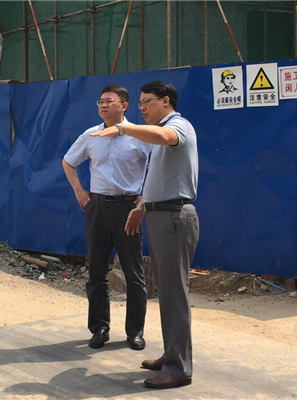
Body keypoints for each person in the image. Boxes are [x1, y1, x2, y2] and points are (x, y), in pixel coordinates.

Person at [91, 81, 199, 390]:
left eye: (146, 102)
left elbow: (166, 137)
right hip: (160, 214)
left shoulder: (177, 126)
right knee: (167, 292)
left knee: (175, 294)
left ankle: (178, 369)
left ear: (165, 101)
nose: (142, 108)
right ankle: (171, 355)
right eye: (139, 103)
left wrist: (123, 128)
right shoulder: (158, 133)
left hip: (174, 217)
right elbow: (158, 178)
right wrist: (141, 208)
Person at [62, 84, 152, 351]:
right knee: (96, 272)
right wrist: (79, 190)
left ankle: (135, 332)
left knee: (134, 273)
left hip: (128, 209)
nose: (103, 105)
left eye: (109, 101)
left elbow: (158, 166)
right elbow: (68, 161)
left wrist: (145, 198)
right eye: (100, 101)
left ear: (124, 106)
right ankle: (99, 328)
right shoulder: (91, 135)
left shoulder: (139, 136)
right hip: (98, 207)